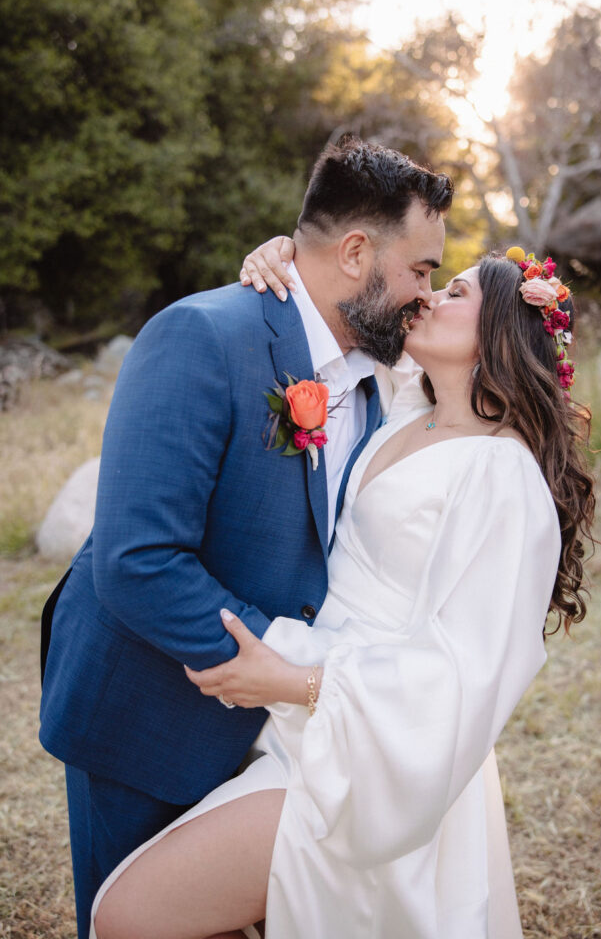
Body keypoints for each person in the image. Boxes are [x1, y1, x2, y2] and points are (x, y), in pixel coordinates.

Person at [91, 248, 595, 939]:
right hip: (300, 715)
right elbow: (335, 301)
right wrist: (284, 254)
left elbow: (466, 672)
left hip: (373, 757)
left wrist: (299, 683)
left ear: (501, 331)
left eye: (453, 292)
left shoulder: (501, 476)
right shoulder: (402, 404)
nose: (426, 297)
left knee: (127, 915)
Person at [39, 136, 453, 938]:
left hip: (270, 726)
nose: (426, 295)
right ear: (356, 252)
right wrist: (287, 660)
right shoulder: (202, 335)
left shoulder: (382, 377)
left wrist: (294, 689)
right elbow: (137, 563)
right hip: (144, 711)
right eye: (420, 270)